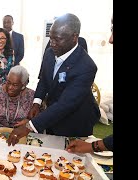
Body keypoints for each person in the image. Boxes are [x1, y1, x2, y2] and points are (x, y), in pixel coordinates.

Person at [7, 13, 101, 146]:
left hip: (76, 121)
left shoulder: (86, 66)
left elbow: (66, 104)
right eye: (51, 38)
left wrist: (29, 126)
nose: (52, 43)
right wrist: (36, 103)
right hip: (52, 116)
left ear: (74, 37)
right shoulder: (50, 53)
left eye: (57, 39)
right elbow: (44, 79)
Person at [66, 15, 113, 154]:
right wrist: (93, 146)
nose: (110, 39)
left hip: (81, 115)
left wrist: (32, 125)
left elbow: (69, 100)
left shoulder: (87, 65)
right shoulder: (50, 53)